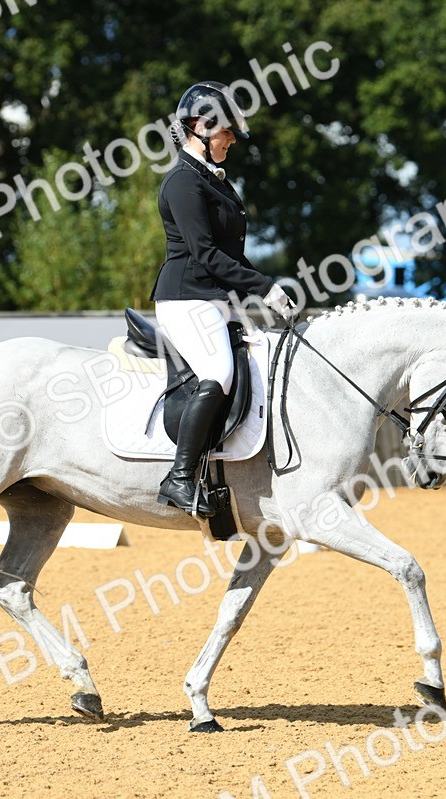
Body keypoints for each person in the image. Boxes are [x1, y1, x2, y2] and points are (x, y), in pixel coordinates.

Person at [149, 81, 297, 517]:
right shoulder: (182, 182)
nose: (232, 140)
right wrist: (264, 288)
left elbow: (231, 253)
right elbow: (205, 254)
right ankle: (178, 477)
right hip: (185, 298)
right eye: (226, 133)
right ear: (197, 127)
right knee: (219, 372)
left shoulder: (212, 181)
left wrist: (259, 284)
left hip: (214, 299)